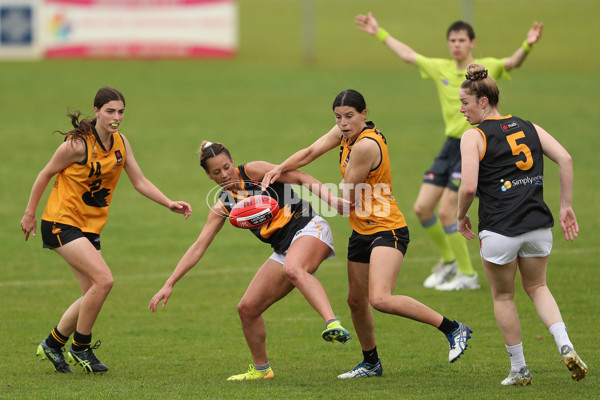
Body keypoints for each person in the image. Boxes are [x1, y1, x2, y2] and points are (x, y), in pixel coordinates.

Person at [262, 89, 472, 379]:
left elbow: (346, 197)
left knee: (381, 298)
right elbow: (311, 152)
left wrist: (305, 183)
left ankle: (452, 328)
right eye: (338, 117)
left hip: (387, 228)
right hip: (361, 229)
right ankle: (371, 362)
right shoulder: (344, 133)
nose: (343, 122)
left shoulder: (364, 146)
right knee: (355, 301)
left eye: (349, 116)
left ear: (364, 114)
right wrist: (279, 169)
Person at [355, 13, 543, 291]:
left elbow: (513, 62)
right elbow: (408, 55)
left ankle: (467, 275)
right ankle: (449, 262)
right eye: (452, 40)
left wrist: (527, 45)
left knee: (446, 211)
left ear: (472, 42)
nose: (456, 45)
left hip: (475, 143)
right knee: (421, 208)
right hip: (449, 146)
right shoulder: (440, 67)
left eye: (461, 40)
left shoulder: (484, 68)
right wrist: (379, 32)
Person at [21, 87, 192, 374]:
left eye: (121, 111)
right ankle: (80, 347)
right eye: (110, 111)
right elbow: (45, 173)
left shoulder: (121, 142)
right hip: (60, 222)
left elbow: (139, 180)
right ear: (97, 111)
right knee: (104, 281)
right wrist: (29, 214)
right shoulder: (76, 146)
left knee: (91, 292)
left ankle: (52, 344)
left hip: (89, 226)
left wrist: (168, 203)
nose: (116, 117)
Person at [149, 141, 351, 381]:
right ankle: (261, 369)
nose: (224, 174)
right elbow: (198, 246)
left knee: (293, 269)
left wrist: (331, 200)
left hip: (309, 227)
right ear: (208, 175)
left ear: (232, 162)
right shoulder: (223, 204)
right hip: (284, 249)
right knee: (247, 308)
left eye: (226, 167)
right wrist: (170, 282)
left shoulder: (253, 171)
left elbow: (299, 177)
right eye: (216, 172)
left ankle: (332, 323)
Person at [457, 64, 587, 385]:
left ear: (484, 102)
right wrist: (566, 206)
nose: (461, 109)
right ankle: (565, 344)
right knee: (538, 287)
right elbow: (566, 159)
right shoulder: (529, 126)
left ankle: (519, 369)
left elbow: (469, 187)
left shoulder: (473, 136)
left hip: (500, 229)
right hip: (538, 226)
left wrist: (461, 216)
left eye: (465, 103)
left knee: (504, 297)